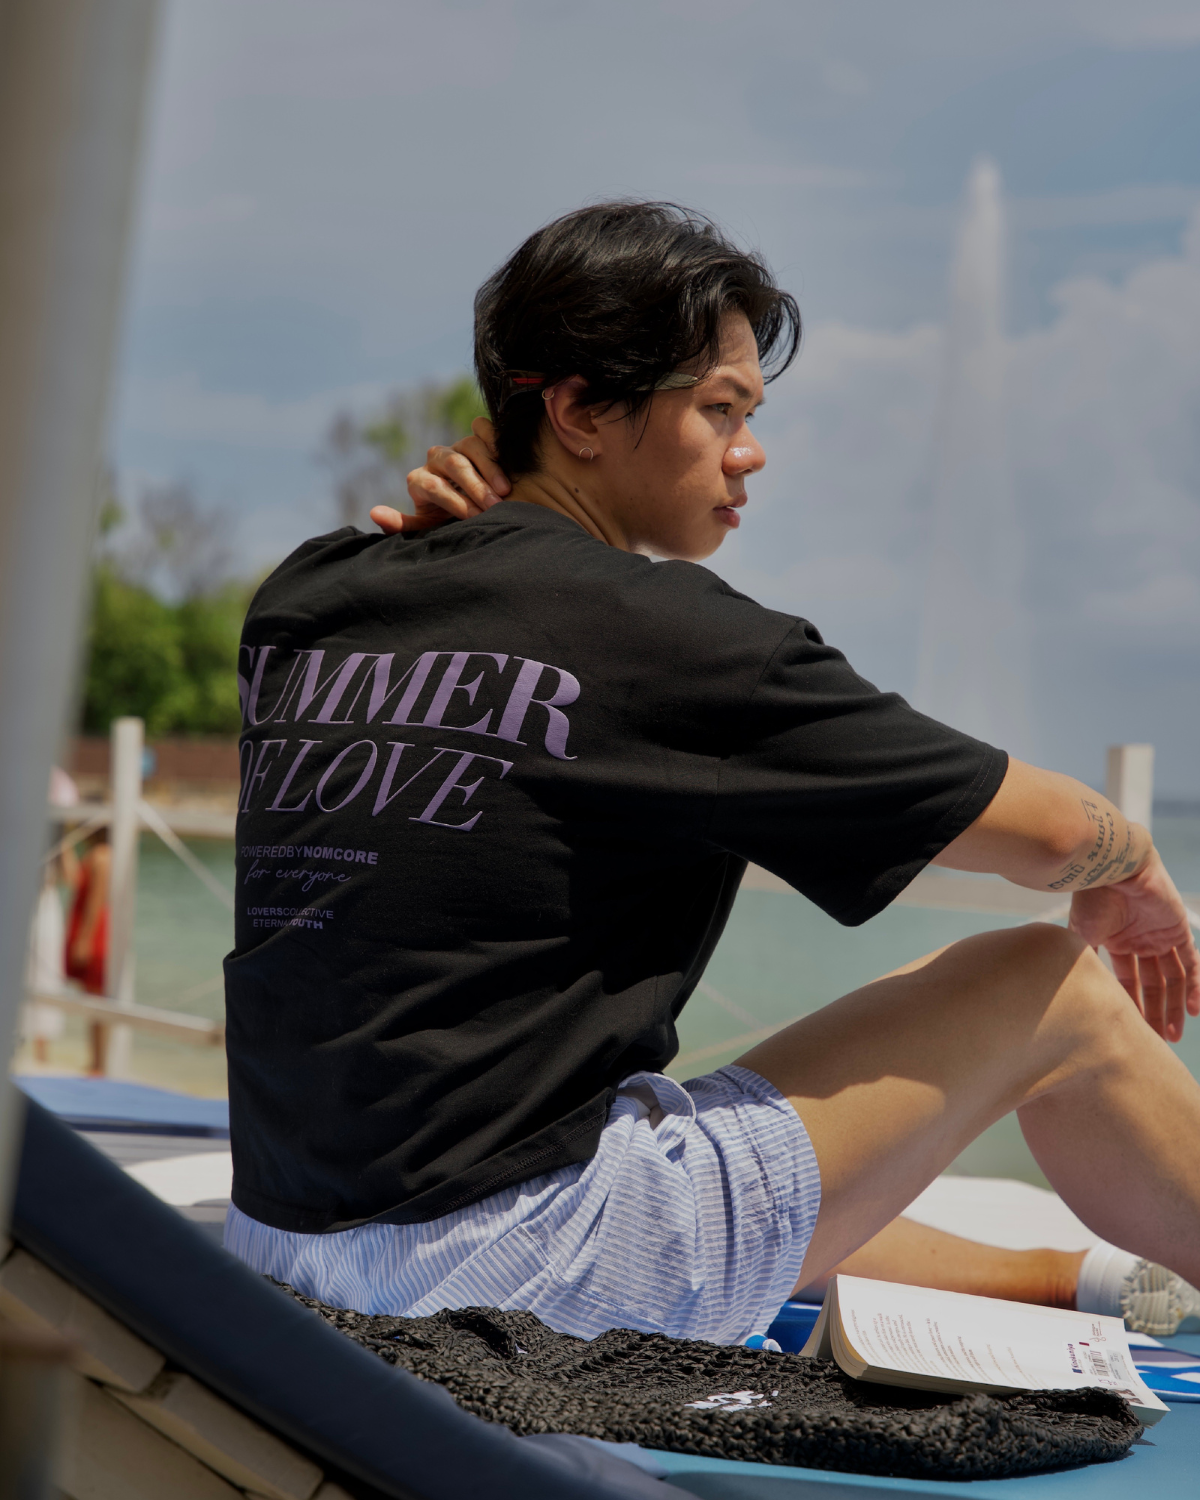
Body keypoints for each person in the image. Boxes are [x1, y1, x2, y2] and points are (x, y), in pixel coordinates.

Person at [224, 202, 1200, 1352]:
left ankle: (1070, 1279)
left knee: (672, 1132)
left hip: (282, 1242)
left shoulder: (308, 591)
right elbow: (1048, 836)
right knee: (1048, 985)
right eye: (719, 409)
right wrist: (1133, 863)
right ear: (581, 410)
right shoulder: (669, 637)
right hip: (513, 1277)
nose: (750, 451)